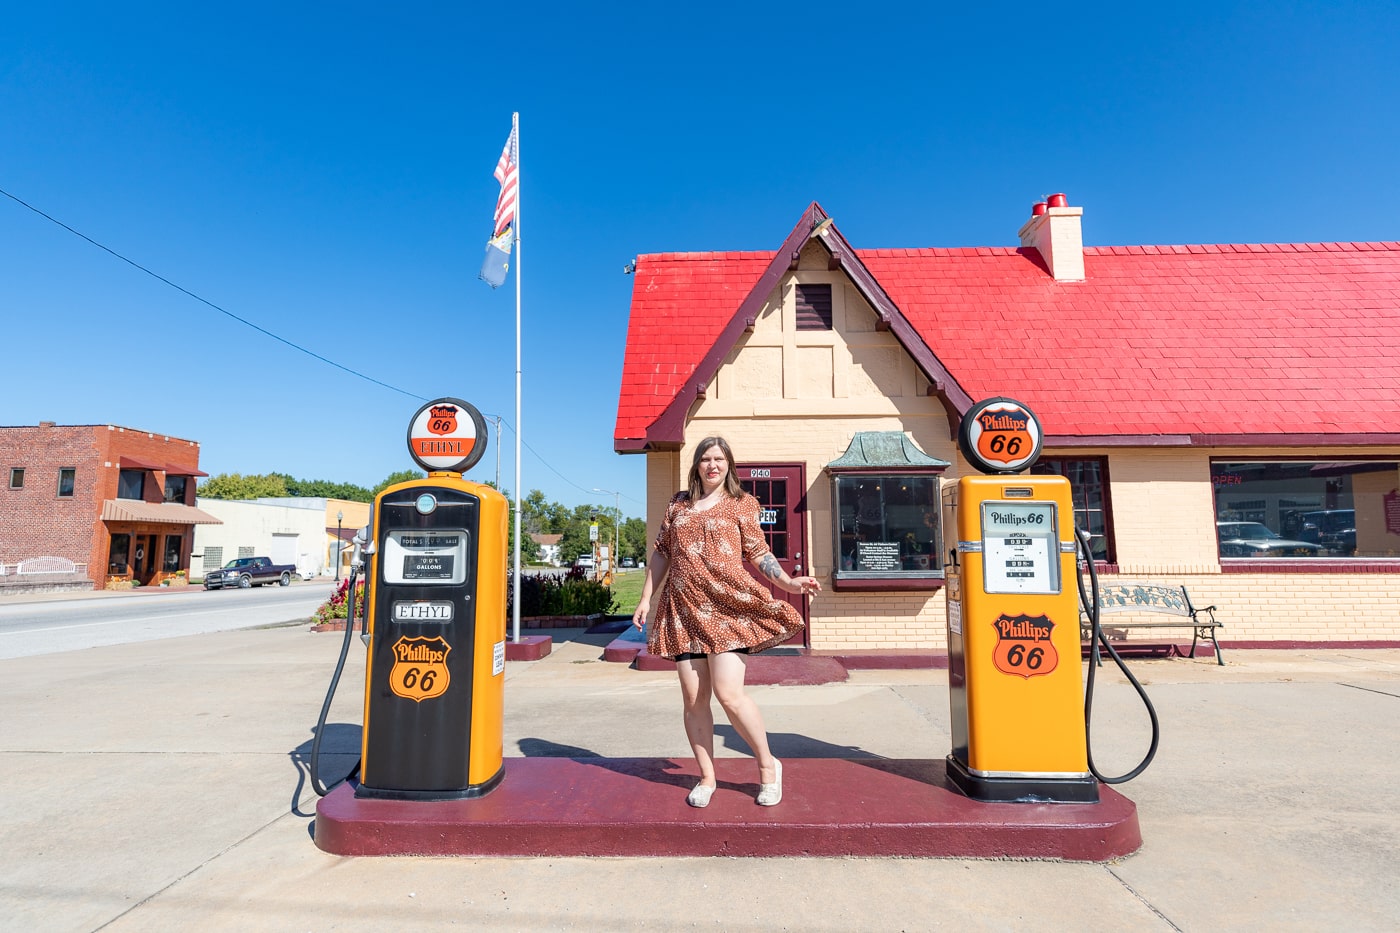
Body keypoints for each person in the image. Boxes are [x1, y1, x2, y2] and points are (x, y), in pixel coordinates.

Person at [632, 436, 822, 808]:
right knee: (693, 698)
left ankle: (768, 767)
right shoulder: (678, 504)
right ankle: (706, 777)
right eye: (706, 459)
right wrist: (645, 598)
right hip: (683, 609)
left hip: (727, 607)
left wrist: (788, 582)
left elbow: (759, 551)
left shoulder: (742, 503)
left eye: (719, 459)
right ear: (697, 465)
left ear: (728, 465)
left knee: (730, 694)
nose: (712, 465)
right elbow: (662, 553)